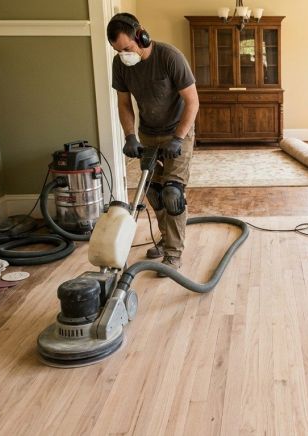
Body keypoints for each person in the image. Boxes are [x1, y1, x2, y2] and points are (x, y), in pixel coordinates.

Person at [106, 13, 199, 274]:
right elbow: (124, 104)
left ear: (141, 36)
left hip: (178, 132)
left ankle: (174, 253)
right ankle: (165, 238)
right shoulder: (120, 65)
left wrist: (178, 137)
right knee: (154, 192)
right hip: (148, 133)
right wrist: (129, 136)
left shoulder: (169, 57)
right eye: (118, 50)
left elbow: (193, 101)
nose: (124, 54)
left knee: (172, 193)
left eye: (127, 48)